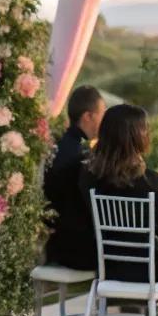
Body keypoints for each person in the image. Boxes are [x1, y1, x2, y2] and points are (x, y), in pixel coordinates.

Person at [78, 103, 158, 282]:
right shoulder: (150, 181)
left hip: (109, 271)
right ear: (137, 137)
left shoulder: (88, 177)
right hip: (151, 274)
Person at [43, 84, 105, 270]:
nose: (104, 119)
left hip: (56, 243)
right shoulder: (80, 155)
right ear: (88, 116)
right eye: (102, 113)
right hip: (77, 249)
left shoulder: (61, 146)